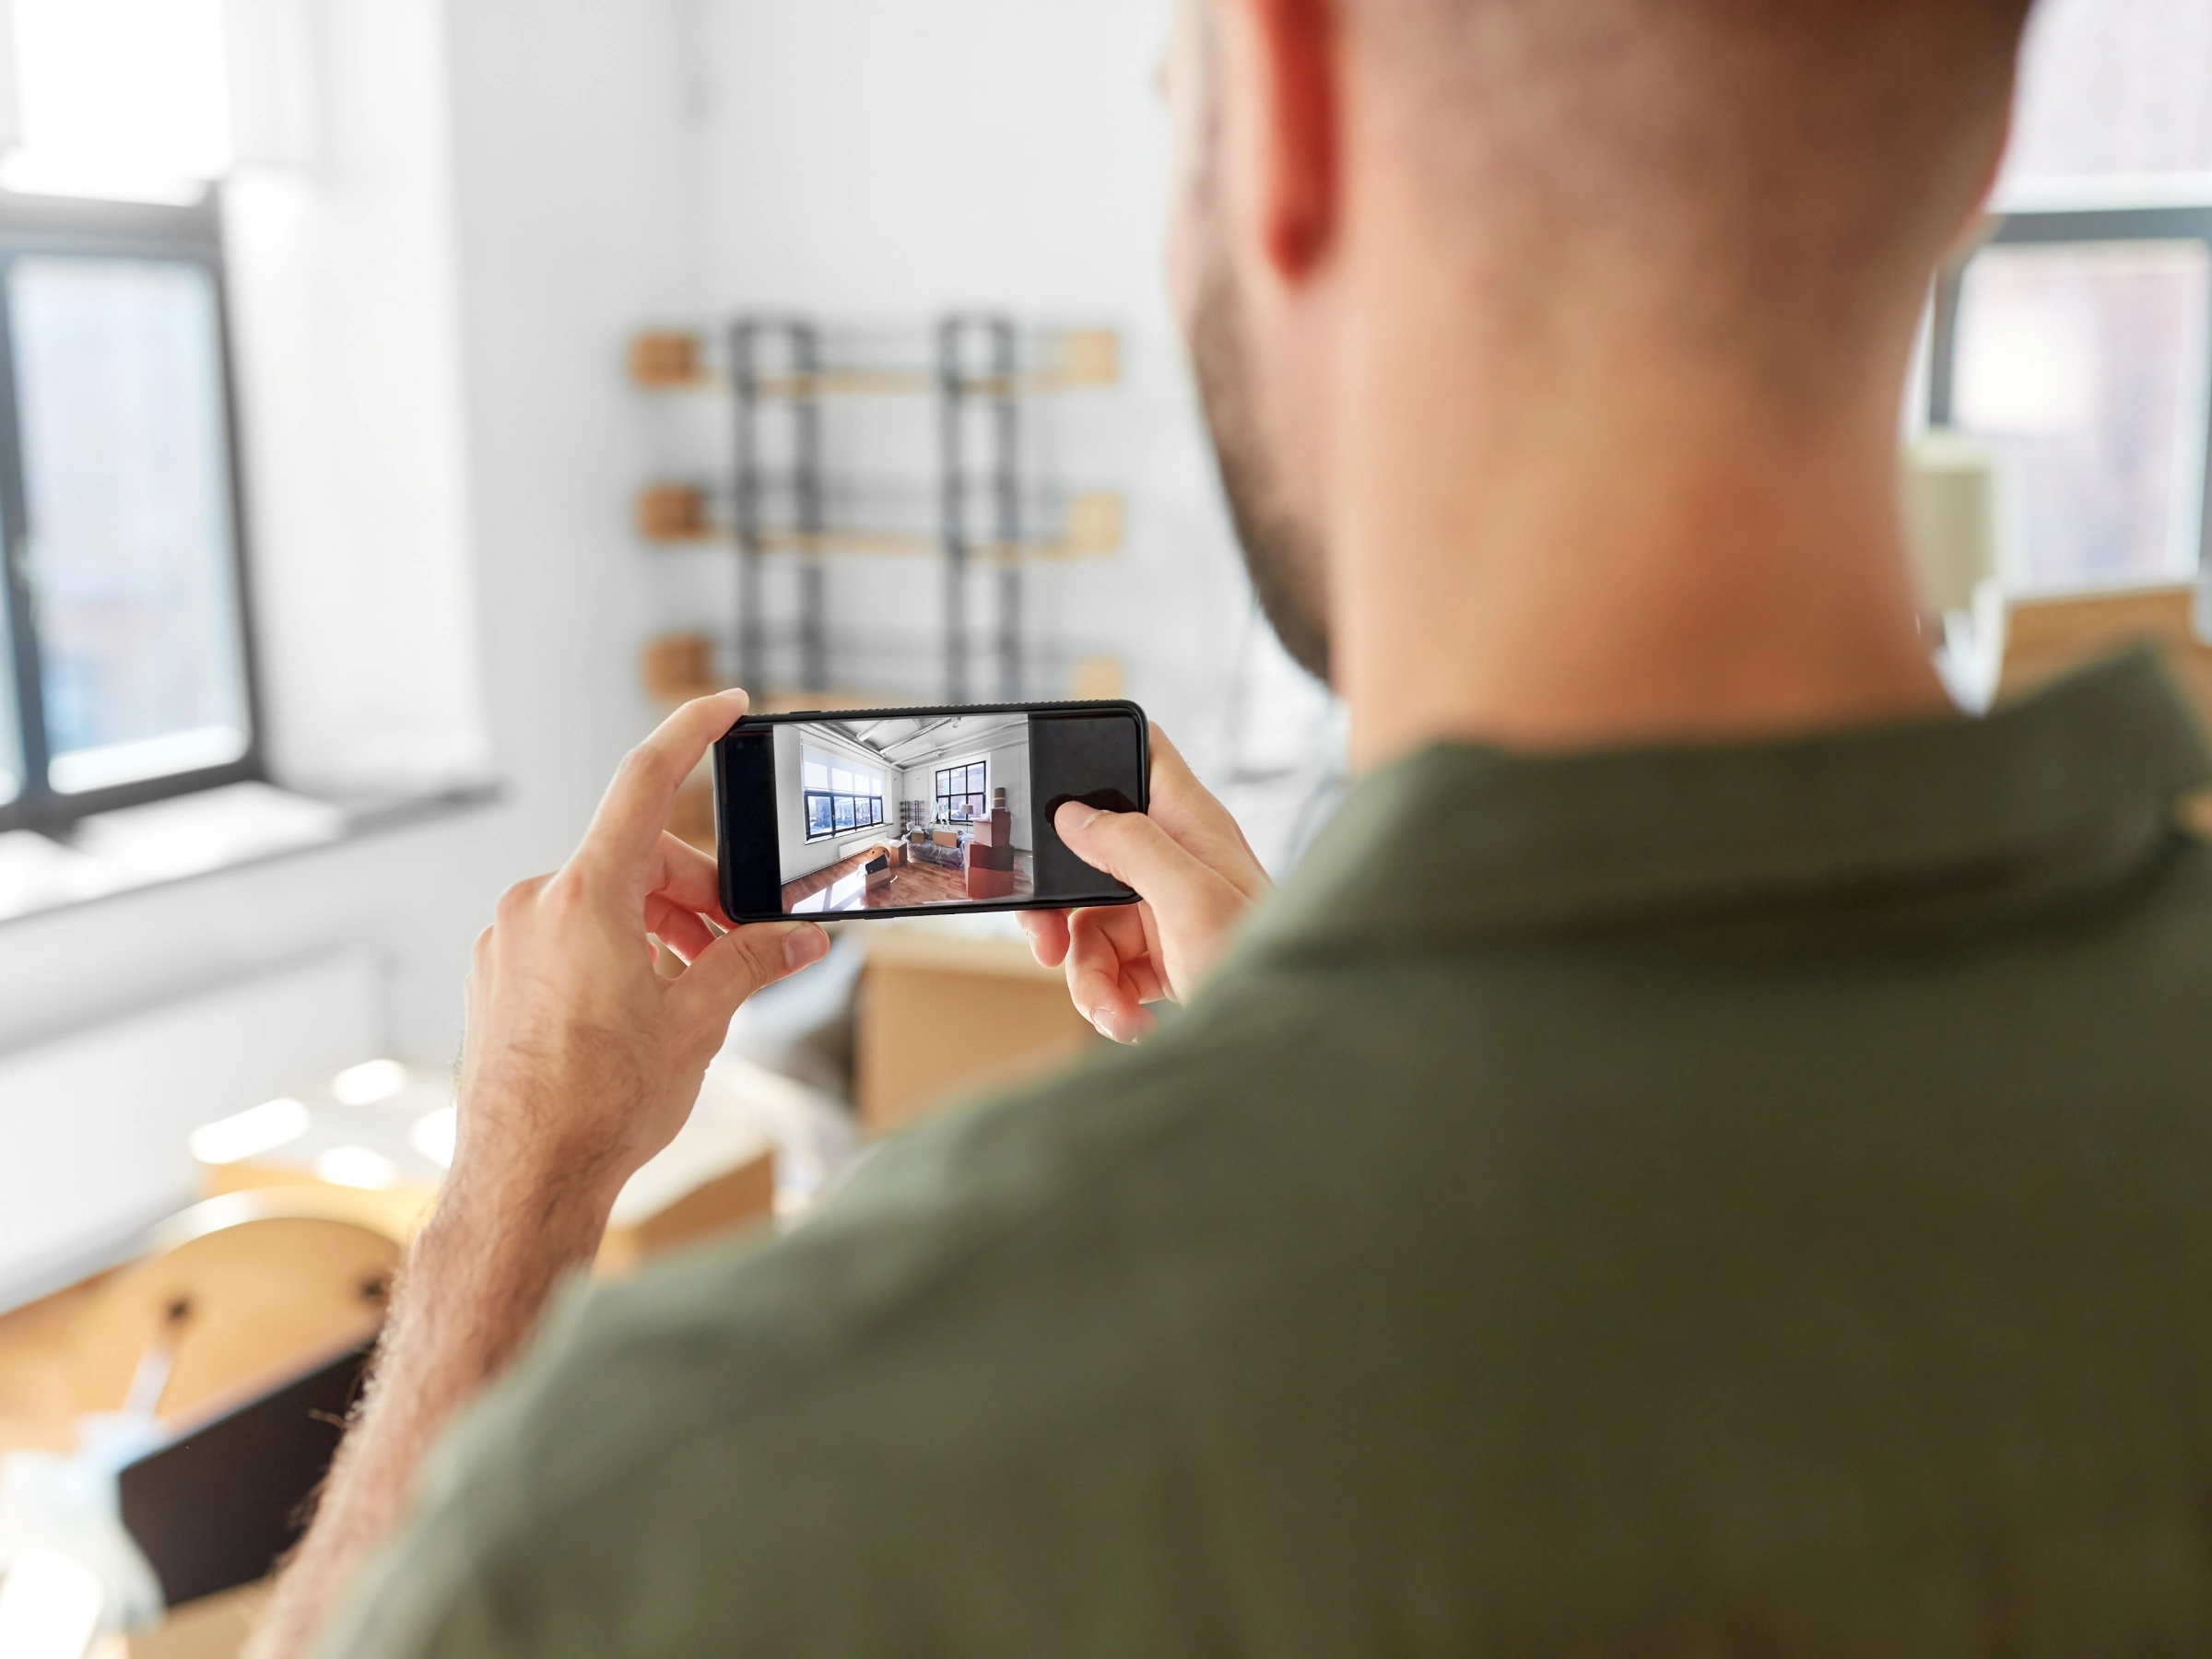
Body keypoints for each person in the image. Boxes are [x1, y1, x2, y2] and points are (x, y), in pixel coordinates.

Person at [252, 0, 2212, 1652]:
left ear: (1288, 108)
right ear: (1973, 164)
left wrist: (524, 1171)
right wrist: (1308, 1037)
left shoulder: (706, 1500)